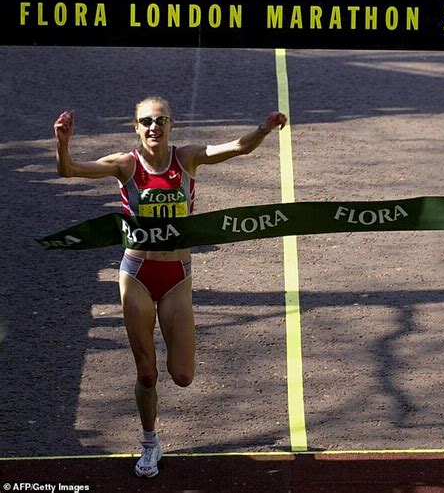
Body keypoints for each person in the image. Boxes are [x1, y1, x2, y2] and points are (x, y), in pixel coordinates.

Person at [53, 97, 287, 477]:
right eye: (146, 121)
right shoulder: (126, 164)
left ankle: (161, 405)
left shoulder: (187, 159)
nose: (153, 127)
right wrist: (62, 143)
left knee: (182, 376)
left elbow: (234, 149)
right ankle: (149, 443)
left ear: (171, 126)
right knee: (147, 374)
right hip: (137, 275)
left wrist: (263, 129)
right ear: (136, 127)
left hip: (178, 276)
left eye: (160, 120)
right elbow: (70, 171)